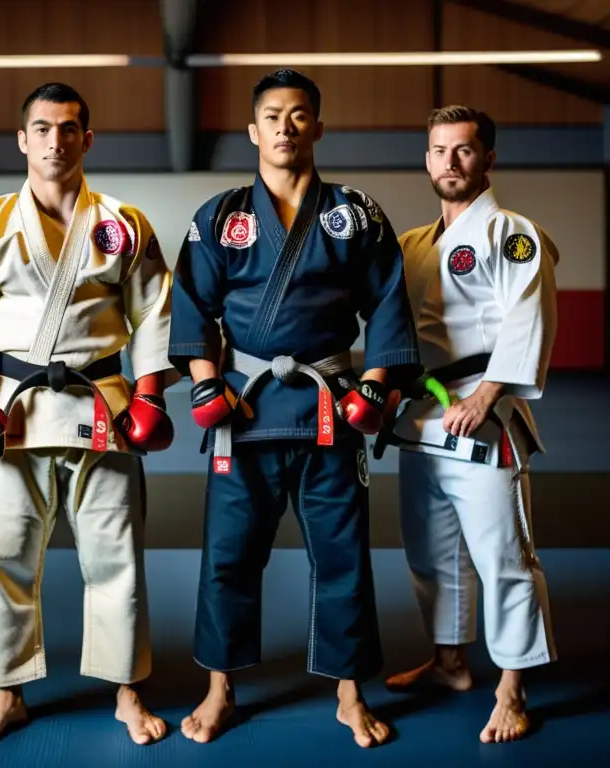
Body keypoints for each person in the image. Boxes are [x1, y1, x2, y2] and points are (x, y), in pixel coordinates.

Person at [167, 68, 424, 749]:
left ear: (317, 125)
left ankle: (347, 691)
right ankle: (220, 688)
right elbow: (193, 305)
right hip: (241, 412)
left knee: (342, 555)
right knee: (228, 555)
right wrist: (201, 378)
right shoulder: (220, 216)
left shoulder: (356, 213)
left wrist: (373, 382)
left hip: (327, 411)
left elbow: (389, 303)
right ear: (253, 131)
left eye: (299, 113)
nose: (285, 125)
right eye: (272, 115)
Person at [0, 82, 178, 749]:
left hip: (104, 407)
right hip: (15, 412)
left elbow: (153, 309)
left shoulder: (124, 222)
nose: (55, 141)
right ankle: (7, 694)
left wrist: (150, 395)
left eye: (69, 129)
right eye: (42, 128)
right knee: (4, 556)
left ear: (87, 139)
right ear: (22, 139)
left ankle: (126, 689)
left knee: (116, 556)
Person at [383, 105, 559, 743]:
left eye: (463, 150)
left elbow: (529, 317)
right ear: (426, 160)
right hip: (423, 419)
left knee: (504, 557)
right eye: (438, 150)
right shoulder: (412, 243)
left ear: (488, 158)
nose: (449, 162)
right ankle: (451, 662)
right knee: (431, 552)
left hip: (482, 417)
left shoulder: (511, 233)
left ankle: (512, 688)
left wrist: (487, 395)